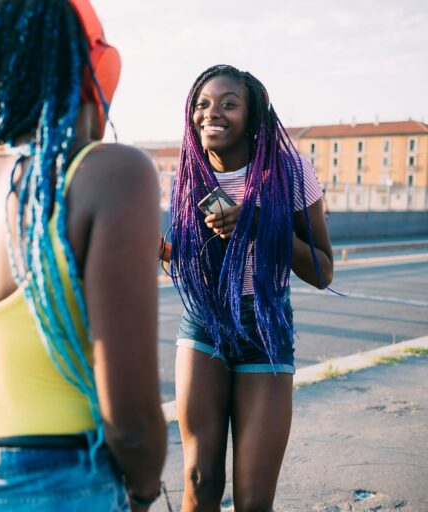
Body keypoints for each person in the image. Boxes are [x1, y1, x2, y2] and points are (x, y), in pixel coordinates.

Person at [0, 1, 167, 510]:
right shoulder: (114, 174)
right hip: (52, 481)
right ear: (87, 63)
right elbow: (131, 418)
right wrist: (140, 493)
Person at [160, 64, 334, 510]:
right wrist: (145, 242)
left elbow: (323, 271)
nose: (210, 113)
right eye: (202, 104)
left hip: (265, 328)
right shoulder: (190, 176)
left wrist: (258, 222)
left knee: (254, 499)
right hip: (204, 323)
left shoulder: (290, 172)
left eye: (227, 104)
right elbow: (180, 258)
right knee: (201, 477)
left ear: (253, 116)